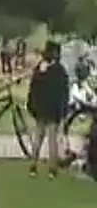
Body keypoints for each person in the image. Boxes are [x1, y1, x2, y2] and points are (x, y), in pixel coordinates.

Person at [27, 40, 70, 178]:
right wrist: (63, 112)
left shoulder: (40, 68)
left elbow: (33, 89)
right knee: (52, 140)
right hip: (53, 109)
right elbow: (64, 93)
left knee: (38, 138)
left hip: (41, 109)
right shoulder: (60, 70)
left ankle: (33, 166)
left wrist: (32, 106)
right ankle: (52, 169)